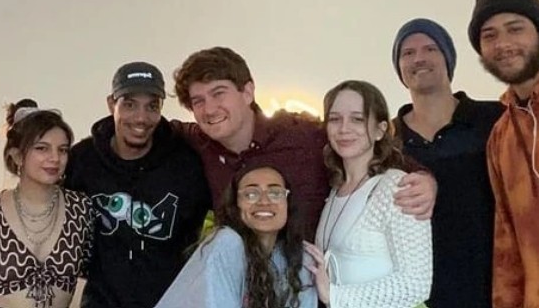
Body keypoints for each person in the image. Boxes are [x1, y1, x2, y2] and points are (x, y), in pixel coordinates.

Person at [171, 47, 438, 241]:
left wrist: (424, 178)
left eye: (219, 93)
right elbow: (149, 124)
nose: (209, 109)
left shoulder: (302, 135)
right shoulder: (200, 143)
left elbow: (370, 149)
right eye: (198, 101)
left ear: (248, 92)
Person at [64, 61, 211, 308]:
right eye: (130, 105)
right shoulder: (82, 160)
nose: (141, 118)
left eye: (152, 106)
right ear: (112, 104)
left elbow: (205, 231)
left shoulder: (185, 164)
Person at [391, 18, 503, 307]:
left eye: (430, 48)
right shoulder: (387, 142)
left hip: (493, 290)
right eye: (407, 53)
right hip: (421, 297)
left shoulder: (495, 120)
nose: (419, 58)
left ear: (448, 59)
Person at [305, 80, 432, 307]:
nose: (344, 128)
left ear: (380, 130)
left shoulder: (397, 187)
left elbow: (416, 284)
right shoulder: (335, 190)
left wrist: (334, 296)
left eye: (357, 119)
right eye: (335, 119)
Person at [0, 99, 93, 308]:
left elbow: (100, 271)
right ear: (17, 156)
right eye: (42, 148)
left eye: (62, 150)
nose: (55, 158)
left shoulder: (80, 208)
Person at [156, 163, 317, 308]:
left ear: (288, 204)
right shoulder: (227, 243)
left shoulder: (298, 257)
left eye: (275, 193)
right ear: (235, 205)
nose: (264, 201)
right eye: (251, 194)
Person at [468, 0, 539, 306]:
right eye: (490, 35)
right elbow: (507, 249)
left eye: (515, 28)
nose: (503, 43)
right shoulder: (501, 136)